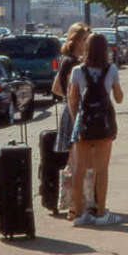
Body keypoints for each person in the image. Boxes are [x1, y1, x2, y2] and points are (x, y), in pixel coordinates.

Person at [68, 32, 124, 227]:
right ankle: (100, 213)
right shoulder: (111, 70)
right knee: (102, 170)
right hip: (104, 126)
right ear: (105, 50)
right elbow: (118, 98)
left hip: (83, 125)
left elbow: (73, 100)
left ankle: (79, 214)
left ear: (87, 49)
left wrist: (79, 120)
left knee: (79, 170)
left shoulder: (77, 71)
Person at [52, 22, 90, 155]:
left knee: (73, 157)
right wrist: (72, 99)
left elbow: (56, 88)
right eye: (84, 39)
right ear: (75, 40)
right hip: (73, 111)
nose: (86, 43)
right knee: (77, 157)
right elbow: (66, 91)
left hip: (68, 109)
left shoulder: (66, 60)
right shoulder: (73, 64)